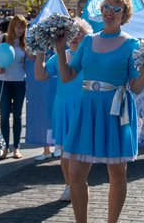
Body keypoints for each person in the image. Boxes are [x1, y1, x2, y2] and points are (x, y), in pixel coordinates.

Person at [53, 0, 144, 223]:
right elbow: (67, 75)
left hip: (115, 110)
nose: (109, 12)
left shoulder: (132, 44)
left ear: (125, 15)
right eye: (106, 6)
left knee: (117, 174)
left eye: (116, 9)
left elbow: (136, 87)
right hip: (87, 109)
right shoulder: (88, 41)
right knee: (75, 175)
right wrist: (60, 49)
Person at [34, 18, 94, 202]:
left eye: (80, 33)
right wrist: (40, 51)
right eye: (72, 34)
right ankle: (69, 185)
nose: (75, 37)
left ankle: (79, 181)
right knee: (65, 149)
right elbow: (40, 75)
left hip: (84, 106)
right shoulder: (59, 56)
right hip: (64, 107)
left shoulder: (91, 56)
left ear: (87, 37)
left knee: (83, 148)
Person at [0, 14, 30, 160]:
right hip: (3, 81)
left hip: (20, 81)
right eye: (19, 27)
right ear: (13, 25)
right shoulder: (2, 38)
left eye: (23, 28)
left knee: (18, 115)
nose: (21, 30)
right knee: (4, 115)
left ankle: (16, 148)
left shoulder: (24, 42)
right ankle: (5, 147)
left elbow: (27, 61)